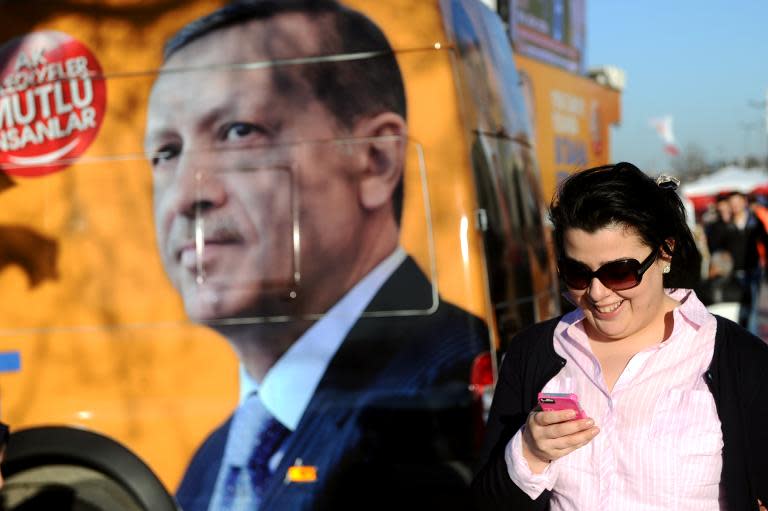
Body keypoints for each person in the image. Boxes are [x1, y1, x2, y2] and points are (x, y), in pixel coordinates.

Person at [144, 1, 487, 510]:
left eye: (239, 132)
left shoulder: (429, 402)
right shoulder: (214, 459)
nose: (185, 196)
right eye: (167, 152)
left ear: (375, 160)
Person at [472, 162, 768, 510]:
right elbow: (487, 501)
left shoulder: (739, 359)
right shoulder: (532, 353)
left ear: (664, 252)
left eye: (620, 272)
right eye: (577, 273)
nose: (597, 293)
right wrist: (529, 453)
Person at [725, 191, 768, 334]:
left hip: (752, 271)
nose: (735, 206)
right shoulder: (726, 224)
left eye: (738, 202)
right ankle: (739, 335)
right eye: (732, 203)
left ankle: (751, 337)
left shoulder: (754, 222)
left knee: (753, 307)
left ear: (744, 202)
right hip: (733, 273)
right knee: (738, 308)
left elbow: (765, 241)